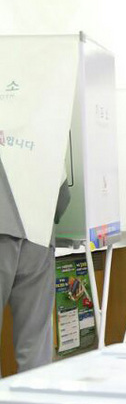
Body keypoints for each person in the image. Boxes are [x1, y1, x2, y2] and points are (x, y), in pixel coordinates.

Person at [0, 156, 70, 376]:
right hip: (38, 238)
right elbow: (63, 196)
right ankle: (38, 396)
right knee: (36, 347)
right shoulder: (44, 135)